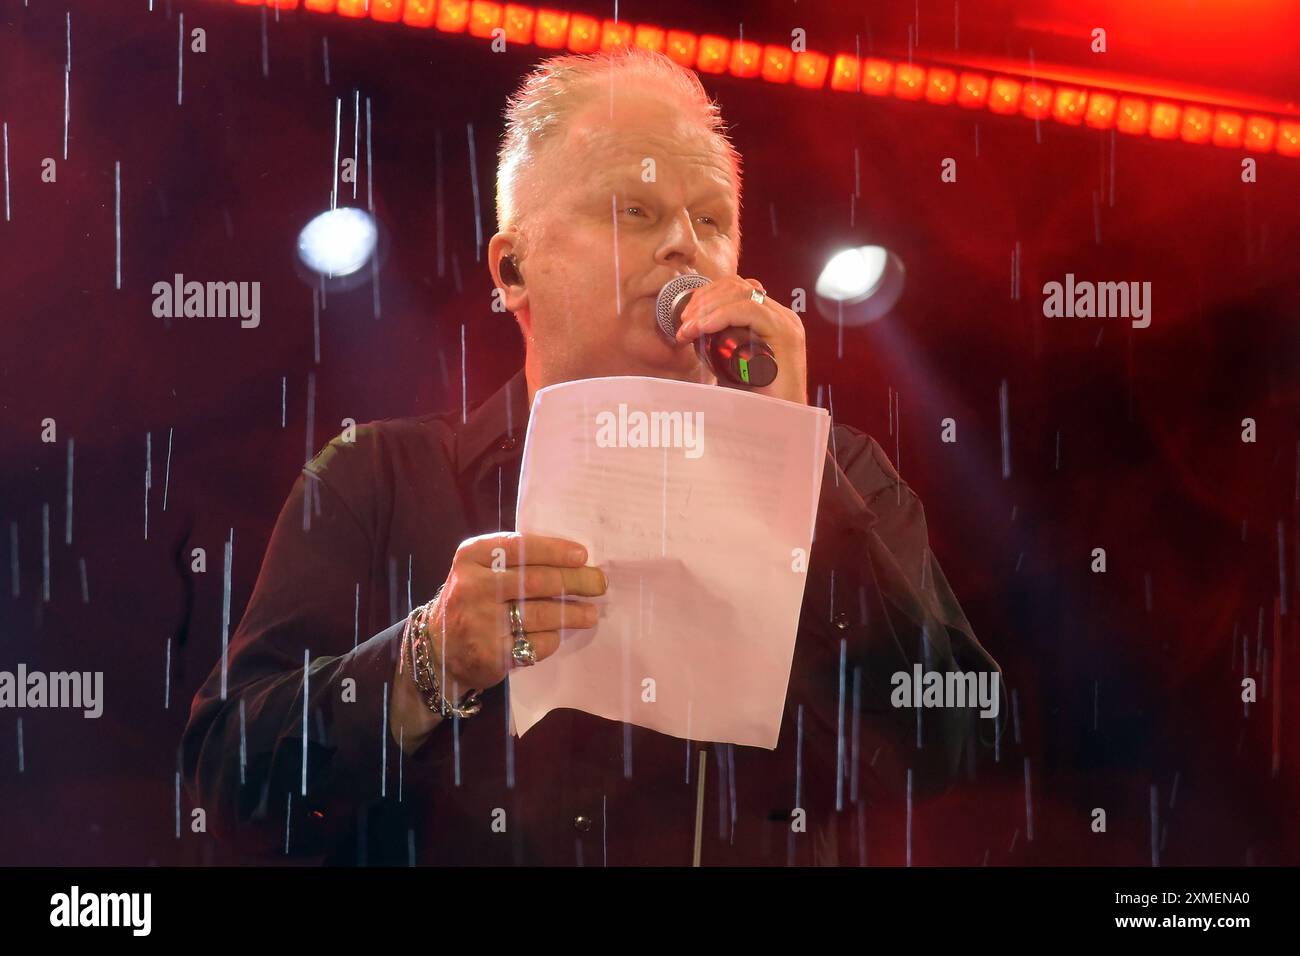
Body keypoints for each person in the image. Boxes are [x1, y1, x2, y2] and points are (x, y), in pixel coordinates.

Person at [182, 47, 1001, 866]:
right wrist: (426, 660)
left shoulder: (841, 471)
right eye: (633, 211)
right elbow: (230, 774)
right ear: (513, 268)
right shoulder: (375, 477)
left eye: (712, 219)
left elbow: (949, 739)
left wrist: (790, 471)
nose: (686, 244)